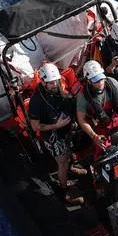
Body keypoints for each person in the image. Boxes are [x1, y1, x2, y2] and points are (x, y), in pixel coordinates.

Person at [29, 62, 84, 205]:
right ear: (43, 82)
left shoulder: (58, 88)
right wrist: (57, 125)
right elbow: (35, 126)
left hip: (66, 128)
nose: (54, 84)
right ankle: (65, 188)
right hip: (53, 134)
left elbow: (66, 99)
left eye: (56, 81)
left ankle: (71, 168)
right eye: (51, 83)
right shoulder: (37, 101)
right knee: (62, 161)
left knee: (70, 152)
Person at [75, 59, 118, 152]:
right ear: (89, 81)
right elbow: (81, 119)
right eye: (96, 81)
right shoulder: (82, 96)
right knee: (103, 152)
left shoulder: (112, 82)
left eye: (101, 79)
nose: (100, 83)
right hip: (101, 125)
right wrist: (94, 136)